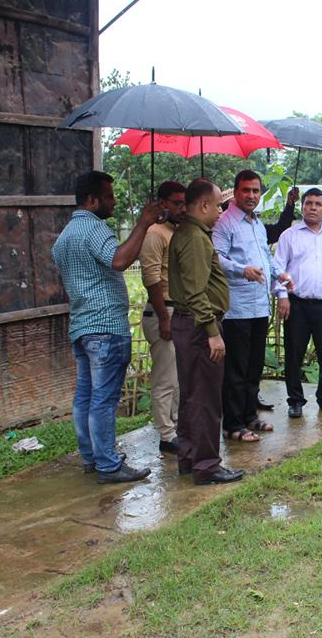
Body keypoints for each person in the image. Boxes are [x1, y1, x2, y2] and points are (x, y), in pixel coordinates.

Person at [52, 170, 157, 484]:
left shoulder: (64, 236)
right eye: (109, 197)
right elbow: (119, 260)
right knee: (104, 400)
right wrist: (144, 223)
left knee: (85, 397)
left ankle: (91, 457)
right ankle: (109, 465)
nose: (114, 202)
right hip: (106, 327)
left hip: (82, 327)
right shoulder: (94, 229)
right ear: (91, 200)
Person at [168, 177, 244, 485]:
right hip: (199, 326)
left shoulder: (189, 233)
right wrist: (213, 332)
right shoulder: (195, 238)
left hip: (190, 323)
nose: (221, 211)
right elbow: (196, 292)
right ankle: (207, 465)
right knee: (205, 399)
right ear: (203, 206)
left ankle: (190, 458)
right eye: (217, 206)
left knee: (192, 396)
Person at [213, 170, 296, 442]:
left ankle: (249, 415)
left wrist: (279, 274)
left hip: (260, 307)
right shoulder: (225, 223)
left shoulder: (257, 223)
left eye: (255, 191)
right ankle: (233, 424)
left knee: (253, 367)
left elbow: (266, 258)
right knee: (236, 369)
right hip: (237, 308)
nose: (251, 195)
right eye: (246, 190)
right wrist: (242, 270)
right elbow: (215, 259)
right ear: (236, 192)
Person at [273, 188, 322, 418]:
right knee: (294, 355)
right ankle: (295, 401)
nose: (313, 208)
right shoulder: (289, 235)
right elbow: (278, 268)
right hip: (296, 305)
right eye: (309, 203)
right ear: (302, 206)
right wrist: (282, 296)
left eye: (318, 204)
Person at [139, 181, 186, 454]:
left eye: (184, 203)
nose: (182, 208)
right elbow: (151, 278)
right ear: (163, 204)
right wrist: (164, 319)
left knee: (177, 377)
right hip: (162, 311)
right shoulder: (155, 233)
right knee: (165, 378)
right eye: (177, 203)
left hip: (175, 309)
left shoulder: (175, 232)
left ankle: (176, 427)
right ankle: (166, 434)